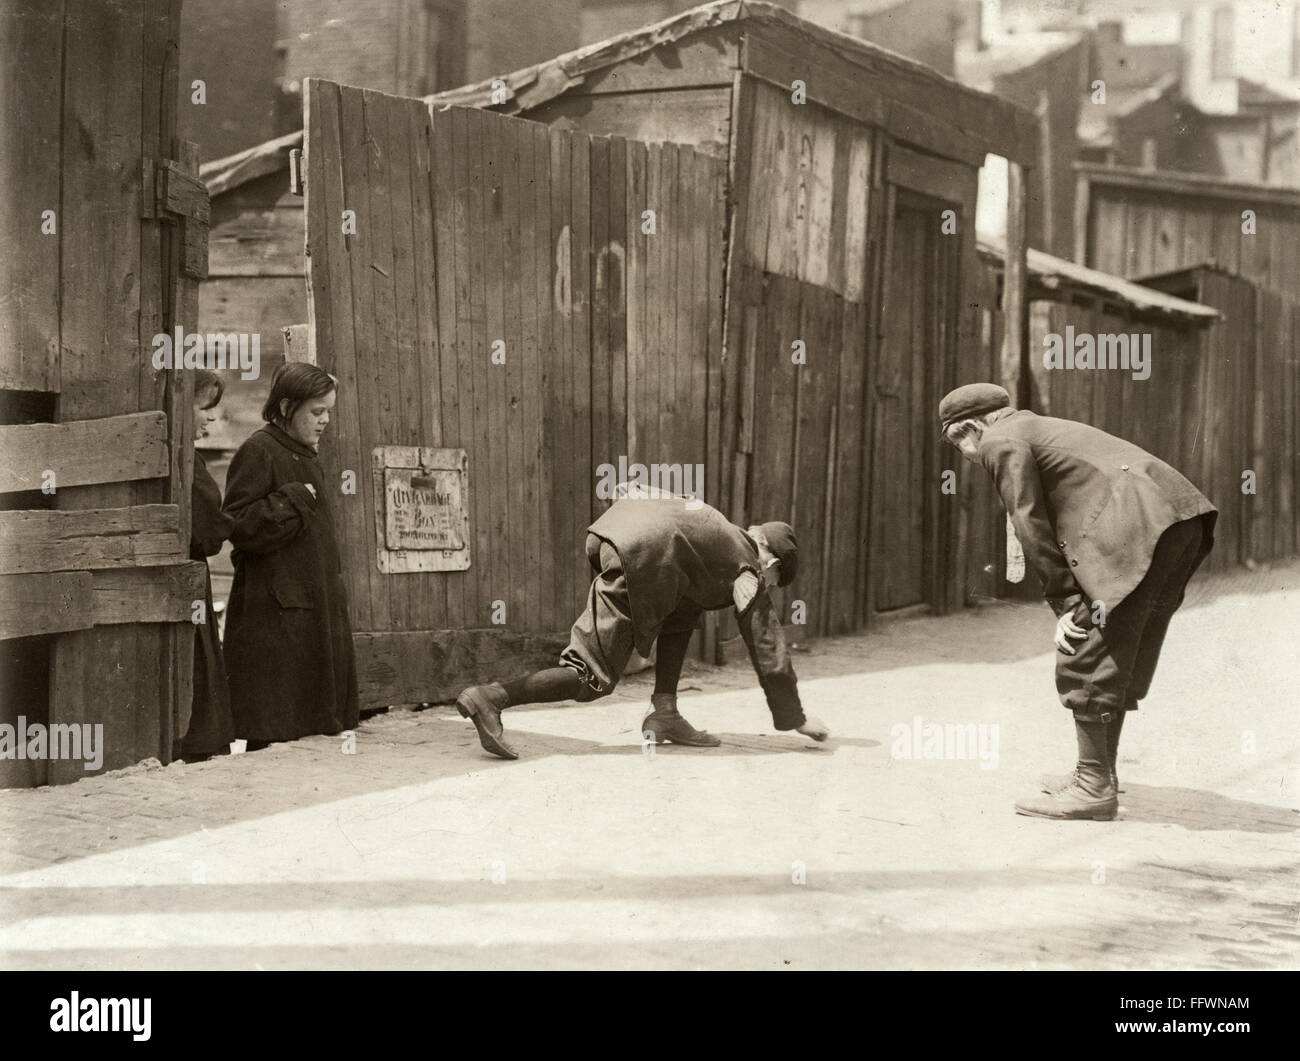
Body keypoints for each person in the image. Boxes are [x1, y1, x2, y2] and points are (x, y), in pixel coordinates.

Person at [939, 383, 1217, 821]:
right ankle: (1098, 775)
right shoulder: (1034, 427)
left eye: (958, 444)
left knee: (1086, 643)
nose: (966, 457)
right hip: (1180, 520)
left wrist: (1066, 601)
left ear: (969, 428)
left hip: (1138, 526)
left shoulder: (998, 440)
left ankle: (1092, 786)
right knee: (1121, 646)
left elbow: (1028, 520)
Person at [455, 491, 830, 760]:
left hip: (614, 534)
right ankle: (491, 698)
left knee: (684, 609)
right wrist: (795, 717)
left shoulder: (716, 533)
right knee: (592, 678)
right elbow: (765, 640)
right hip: (644, 553)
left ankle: (665, 712)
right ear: (772, 563)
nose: (767, 587)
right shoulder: (745, 563)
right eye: (774, 582)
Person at [222, 362, 359, 748]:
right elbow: (239, 525)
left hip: (308, 611)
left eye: (328, 411)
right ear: (285, 408)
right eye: (317, 412)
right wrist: (293, 499)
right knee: (275, 728)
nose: (325, 421)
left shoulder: (304, 454)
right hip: (274, 618)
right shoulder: (259, 451)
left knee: (310, 731)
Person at [177, 368, 235, 762]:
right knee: (196, 658)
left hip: (189, 573)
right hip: (188, 574)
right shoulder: (186, 460)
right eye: (204, 408)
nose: (210, 418)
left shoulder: (186, 456)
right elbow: (209, 530)